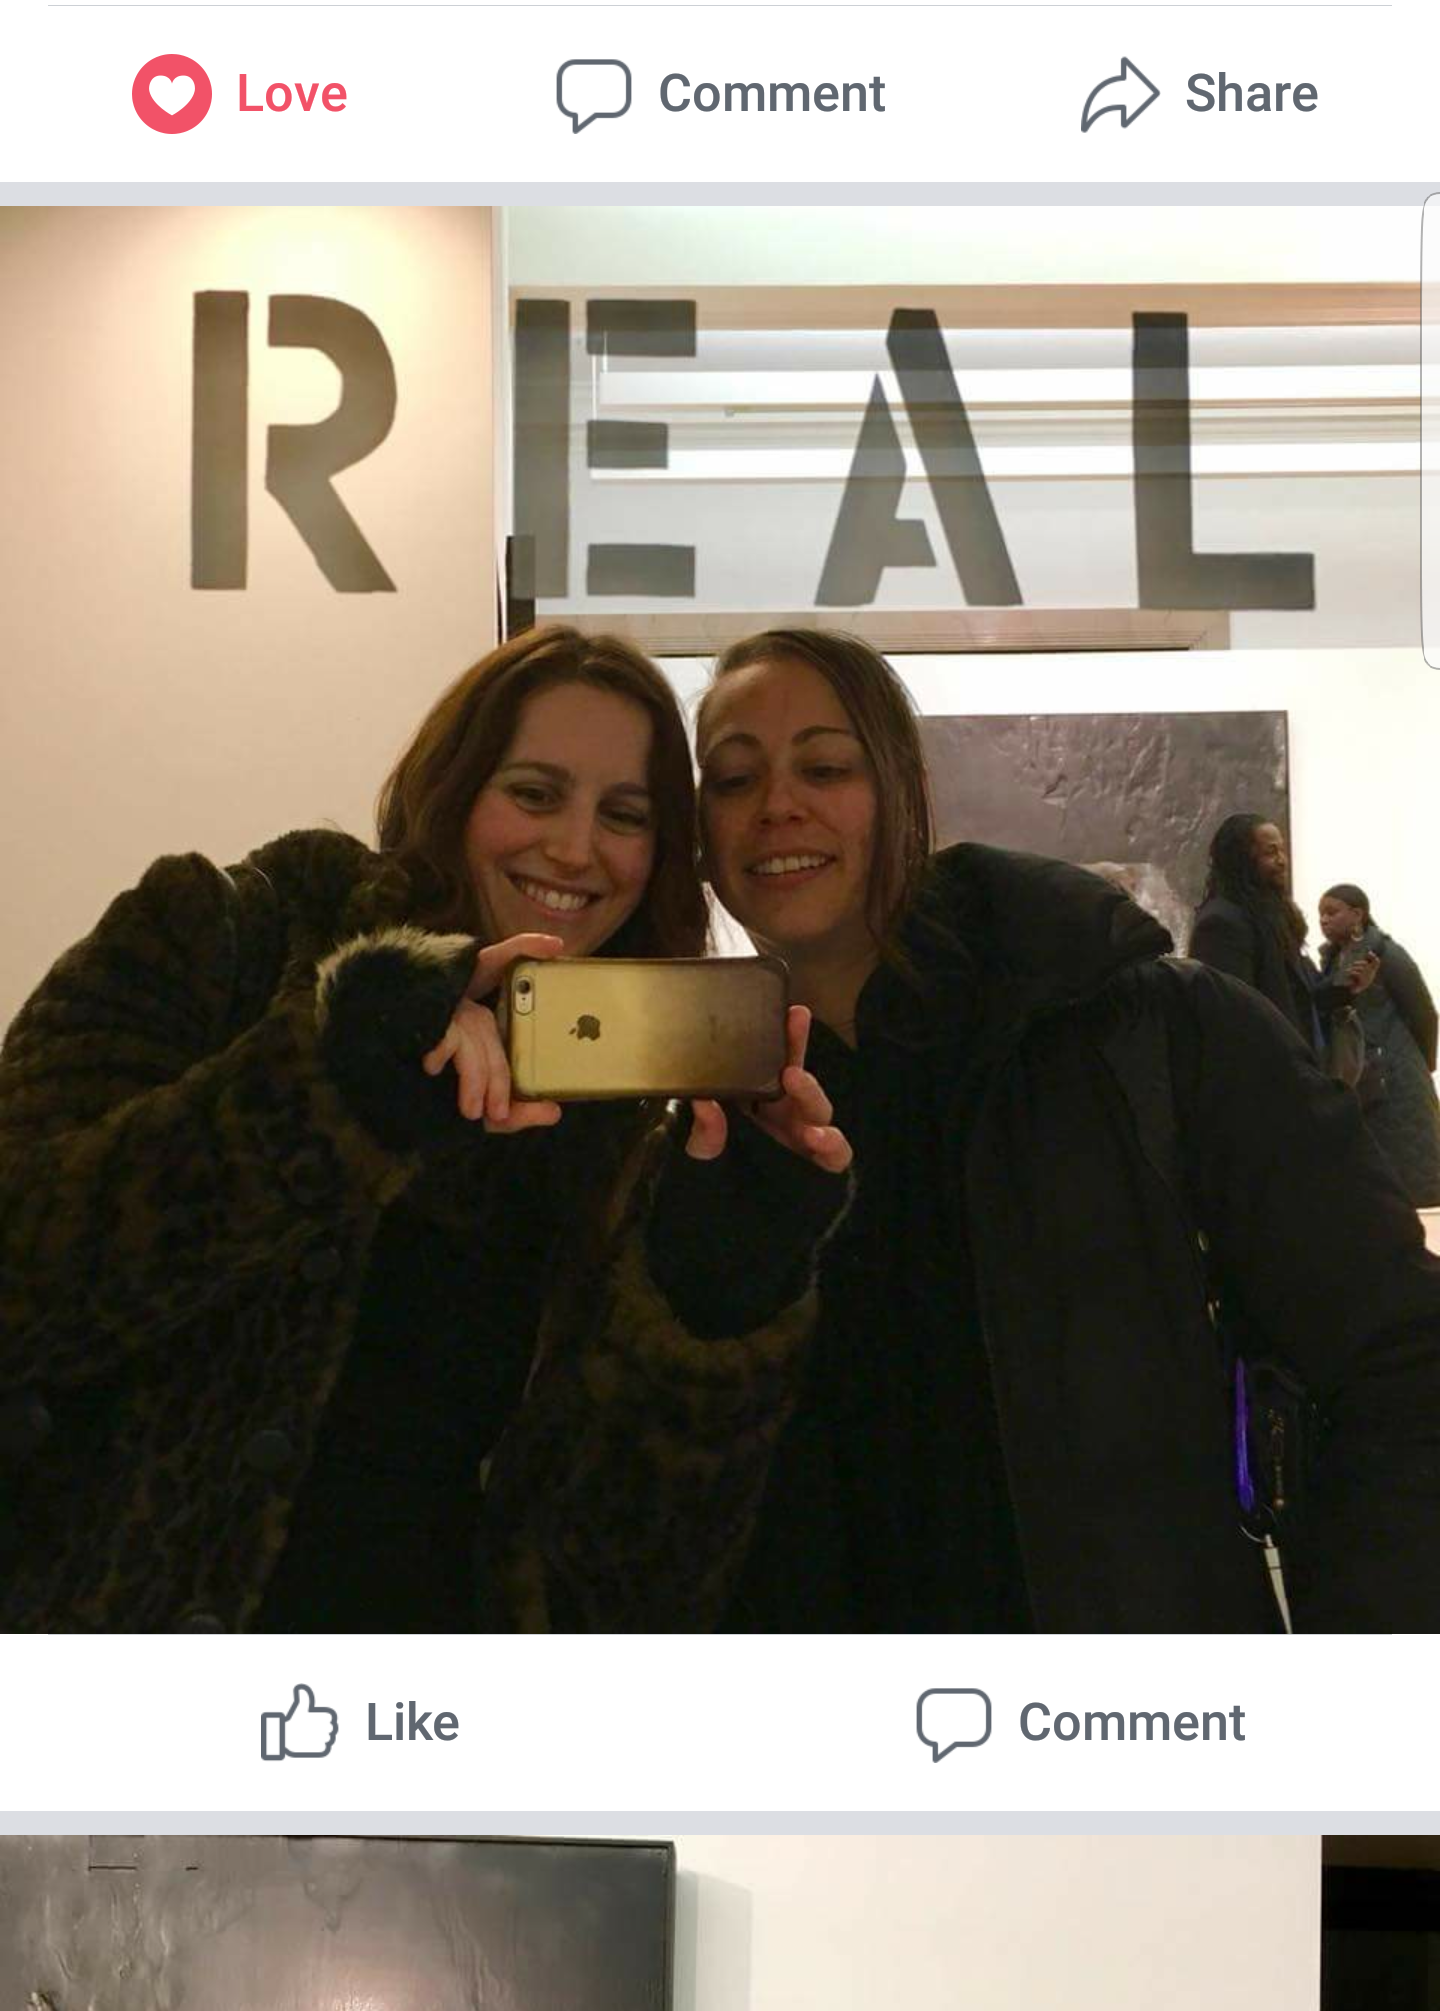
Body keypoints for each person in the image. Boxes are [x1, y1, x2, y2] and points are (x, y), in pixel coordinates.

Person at [515, 628, 1440, 1633]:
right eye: (734, 779)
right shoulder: (696, 1124)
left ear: (903, 791)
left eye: (826, 767)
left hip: (1119, 1705)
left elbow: (1395, 1356)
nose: (778, 804)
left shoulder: (1148, 1029)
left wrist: (1363, 1671)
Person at [0, 622, 844, 1633]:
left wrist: (721, 1287)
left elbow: (625, 1583)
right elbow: (25, 1277)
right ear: (451, 791)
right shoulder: (220, 941)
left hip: (431, 1716)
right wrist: (334, 1083)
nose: (575, 848)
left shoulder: (622, 1139)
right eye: (533, 793)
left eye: (625, 815)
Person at [1189, 812, 1374, 1058]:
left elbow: (1301, 998)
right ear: (1243, 860)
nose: (1282, 861)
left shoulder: (1271, 918)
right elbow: (1230, 1017)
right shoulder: (1222, 923)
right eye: (1271, 852)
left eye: (1282, 851)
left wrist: (1346, 988)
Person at [1319, 884, 1440, 1207]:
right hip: (1358, 1075)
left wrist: (1419, 1064)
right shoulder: (1331, 961)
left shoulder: (1386, 954)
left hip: (1395, 1076)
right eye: (1321, 915)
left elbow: (1424, 1013)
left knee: (1407, 1173)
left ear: (1357, 914)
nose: (1324, 920)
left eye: (1332, 912)